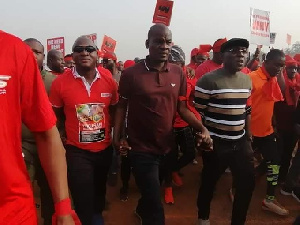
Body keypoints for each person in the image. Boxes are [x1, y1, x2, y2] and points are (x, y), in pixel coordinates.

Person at [113, 24, 211, 225]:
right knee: (156, 209)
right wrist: (118, 136)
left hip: (166, 146)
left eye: (168, 42)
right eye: (158, 41)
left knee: (151, 190)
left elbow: (182, 108)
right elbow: (121, 106)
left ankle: (141, 209)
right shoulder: (131, 74)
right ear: (147, 44)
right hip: (140, 148)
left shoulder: (178, 73)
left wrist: (202, 128)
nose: (164, 46)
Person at [0, 31, 75, 225]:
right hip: (23, 149)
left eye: (37, 52)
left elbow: (49, 128)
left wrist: (64, 210)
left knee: (45, 187)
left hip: (12, 208)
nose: (33, 55)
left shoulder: (14, 51)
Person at [50, 36, 118, 225]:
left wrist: (114, 134)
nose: (84, 53)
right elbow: (56, 114)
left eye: (89, 49)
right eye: (79, 49)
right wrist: (63, 133)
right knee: (82, 195)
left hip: (104, 149)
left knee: (99, 191)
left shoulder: (108, 80)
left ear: (97, 54)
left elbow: (113, 108)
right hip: (77, 151)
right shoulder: (60, 83)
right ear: (73, 55)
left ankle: (96, 215)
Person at [195, 38, 254, 225]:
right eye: (235, 51)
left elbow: (245, 110)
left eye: (244, 51)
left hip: (239, 142)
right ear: (223, 55)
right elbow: (199, 112)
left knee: (246, 184)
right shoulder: (208, 80)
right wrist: (204, 138)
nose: (241, 55)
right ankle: (203, 218)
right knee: (209, 184)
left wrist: (247, 138)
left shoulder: (246, 80)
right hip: (217, 144)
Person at [249, 49, 288, 216]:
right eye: (277, 65)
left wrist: (279, 73)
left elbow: (282, 90)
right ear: (266, 61)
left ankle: (269, 200)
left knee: (275, 162)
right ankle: (235, 189)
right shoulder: (252, 78)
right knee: (243, 166)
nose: (279, 68)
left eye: (282, 66)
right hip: (249, 133)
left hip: (266, 131)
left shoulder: (273, 79)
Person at [22, 38, 57, 225]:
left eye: (37, 52)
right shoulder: (9, 81)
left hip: (48, 145)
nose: (32, 54)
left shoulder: (54, 82)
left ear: (44, 56)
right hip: (21, 145)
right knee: (21, 189)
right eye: (27, 50)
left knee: (50, 189)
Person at [165, 45, 201, 204]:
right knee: (169, 156)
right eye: (173, 64)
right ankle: (168, 189)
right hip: (167, 125)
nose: (177, 68)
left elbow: (194, 97)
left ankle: (173, 170)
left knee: (190, 153)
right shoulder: (161, 78)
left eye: (180, 64)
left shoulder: (190, 76)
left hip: (184, 122)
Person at [274, 56, 300, 182]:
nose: (293, 71)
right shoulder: (280, 81)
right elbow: (282, 90)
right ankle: (271, 177)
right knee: (278, 153)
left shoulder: (298, 82)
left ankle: (282, 178)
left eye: (295, 68)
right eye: (290, 68)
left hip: (293, 125)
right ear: (285, 69)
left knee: (288, 153)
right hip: (280, 124)